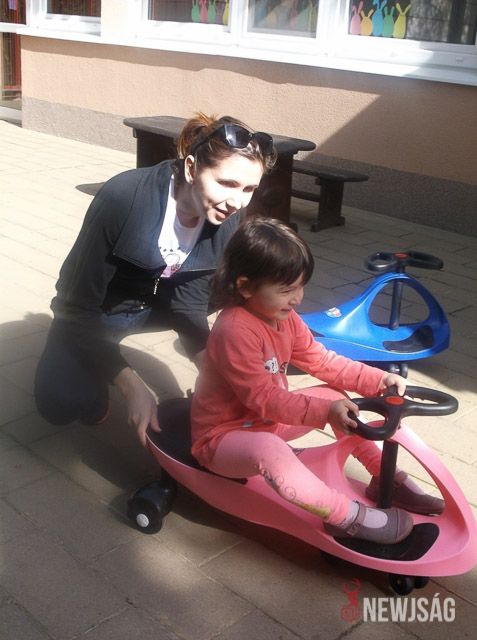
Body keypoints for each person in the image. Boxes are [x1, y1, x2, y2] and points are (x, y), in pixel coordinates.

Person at [191, 218, 444, 544]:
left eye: (300, 286)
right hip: (223, 438)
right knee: (272, 448)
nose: (297, 298)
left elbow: (322, 361)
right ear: (245, 286)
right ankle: (348, 518)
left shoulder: (285, 319)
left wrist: (378, 379)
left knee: (335, 396)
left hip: (265, 423)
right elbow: (265, 398)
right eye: (286, 290)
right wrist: (324, 413)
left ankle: (385, 478)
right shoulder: (235, 330)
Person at [34, 114, 276, 446]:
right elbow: (75, 306)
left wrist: (214, 373)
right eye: (227, 183)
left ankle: (101, 358)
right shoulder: (124, 198)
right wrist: (132, 386)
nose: (237, 202)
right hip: (99, 311)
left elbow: (189, 304)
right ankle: (97, 376)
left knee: (236, 290)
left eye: (249, 189)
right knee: (61, 402)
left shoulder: (227, 215)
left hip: (154, 306)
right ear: (191, 168)